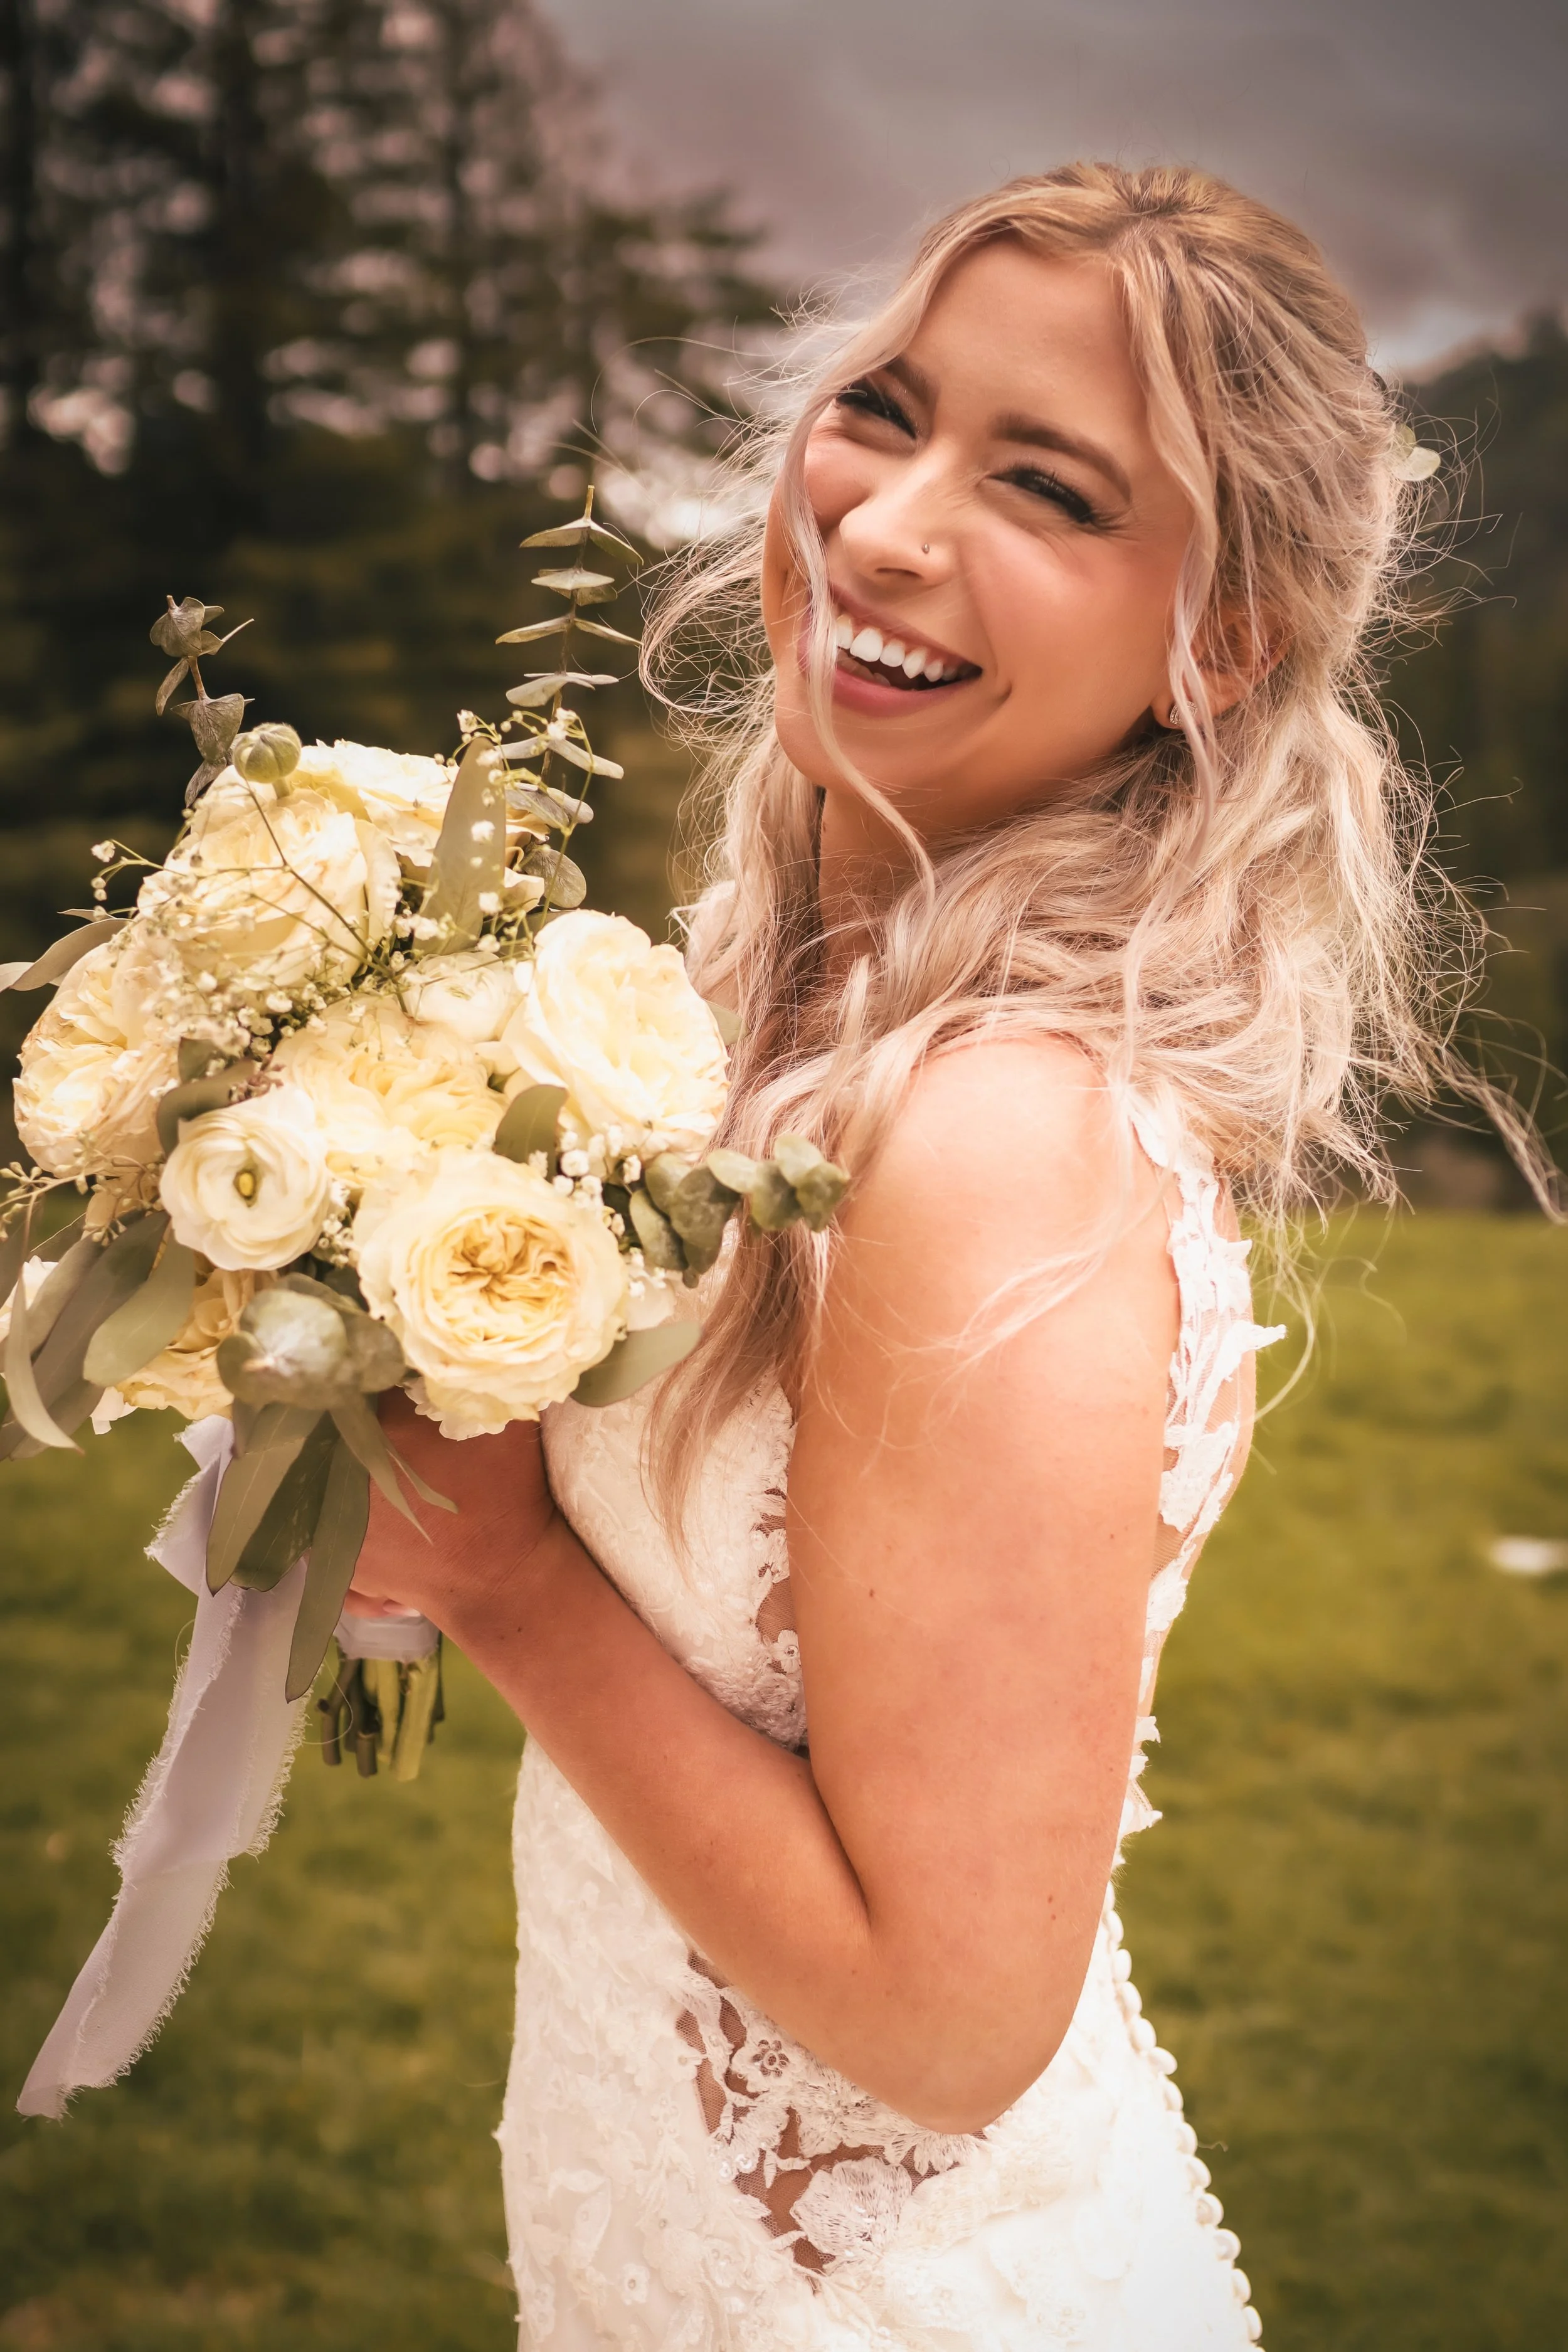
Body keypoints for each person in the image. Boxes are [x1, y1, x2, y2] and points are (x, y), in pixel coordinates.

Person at [344, 162, 1519, 2349]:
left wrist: (497, 1575)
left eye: (1049, 490)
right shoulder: (778, 1000)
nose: (880, 525)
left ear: (1217, 643)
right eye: (885, 408)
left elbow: (950, 2016)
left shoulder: (993, 1136)